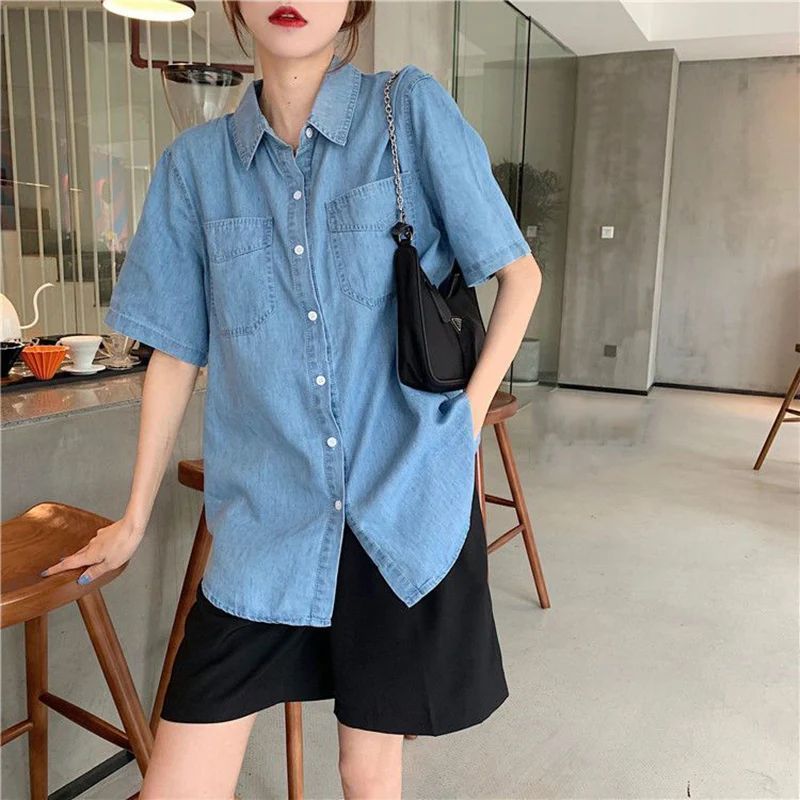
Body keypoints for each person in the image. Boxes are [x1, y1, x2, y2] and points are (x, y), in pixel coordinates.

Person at [40, 1, 542, 797]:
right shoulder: (195, 168)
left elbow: (519, 276)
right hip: (264, 528)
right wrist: (133, 517)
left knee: (366, 773)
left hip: (396, 513)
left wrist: (460, 430)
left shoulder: (408, 112)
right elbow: (176, 351)